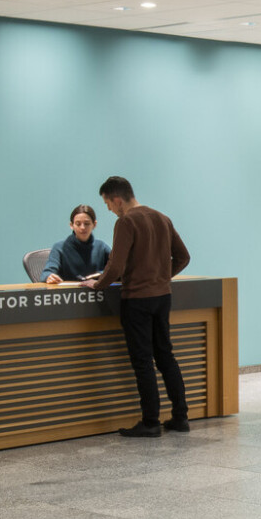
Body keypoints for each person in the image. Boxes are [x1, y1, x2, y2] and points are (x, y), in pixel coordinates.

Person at [90, 176, 193, 437]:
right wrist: (161, 277)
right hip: (162, 297)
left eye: (107, 204)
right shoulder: (162, 218)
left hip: (136, 300)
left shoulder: (126, 221)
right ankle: (180, 417)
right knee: (165, 356)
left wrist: (97, 284)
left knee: (143, 361)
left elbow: (115, 266)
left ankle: (150, 422)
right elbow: (183, 256)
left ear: (117, 199)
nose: (109, 210)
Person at [43, 204, 109, 283]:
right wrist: (49, 276)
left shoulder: (102, 247)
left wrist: (101, 274)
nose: (82, 227)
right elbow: (47, 272)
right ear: (71, 225)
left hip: (96, 290)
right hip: (68, 290)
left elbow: (117, 268)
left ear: (94, 224)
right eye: (78, 224)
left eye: (87, 223)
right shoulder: (59, 247)